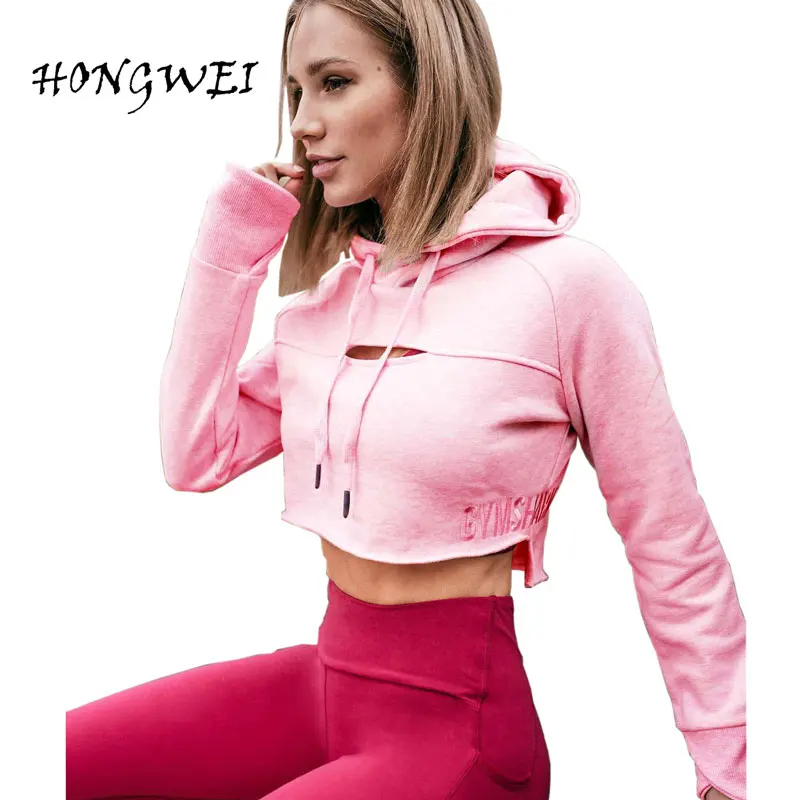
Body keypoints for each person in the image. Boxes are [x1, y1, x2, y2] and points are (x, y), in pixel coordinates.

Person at [65, 1, 746, 799]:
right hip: (329, 683)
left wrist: (731, 767)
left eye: (334, 83)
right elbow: (194, 456)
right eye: (295, 91)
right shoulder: (339, 299)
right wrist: (232, 240)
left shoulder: (569, 288)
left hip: (461, 732)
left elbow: (669, 537)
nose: (303, 123)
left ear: (429, 85)